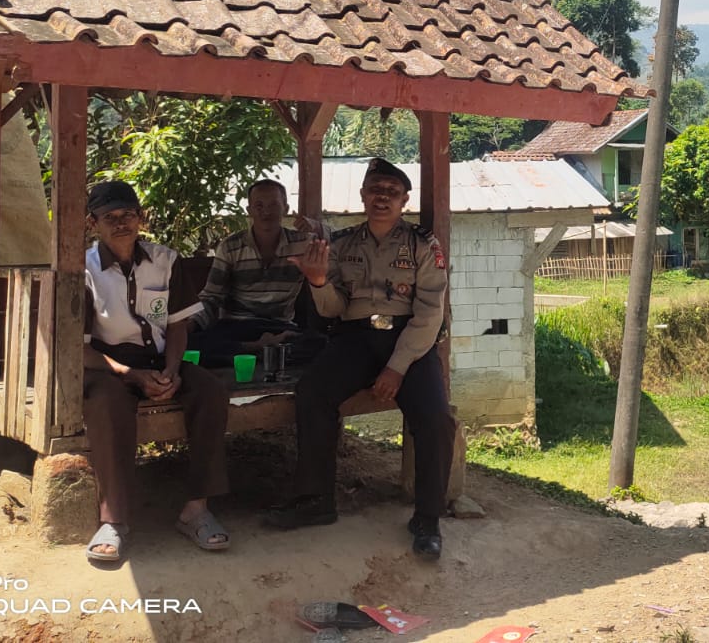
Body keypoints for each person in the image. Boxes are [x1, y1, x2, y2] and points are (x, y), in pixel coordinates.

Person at [264, 158, 454, 561]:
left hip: (409, 344)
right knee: (313, 393)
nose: (382, 197)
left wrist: (396, 368)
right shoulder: (343, 244)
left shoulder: (423, 245)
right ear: (363, 196)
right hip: (354, 338)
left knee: (436, 418)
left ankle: (427, 519)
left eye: (391, 191)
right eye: (375, 190)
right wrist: (317, 281)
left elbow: (429, 313)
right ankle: (315, 500)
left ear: (405, 200)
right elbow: (333, 310)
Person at [80, 180, 231, 563]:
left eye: (128, 214)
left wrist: (172, 370)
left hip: (161, 359)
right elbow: (79, 347)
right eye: (109, 217)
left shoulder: (166, 260)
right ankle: (113, 521)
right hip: (107, 363)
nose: (120, 224)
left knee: (210, 390)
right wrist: (129, 374)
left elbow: (178, 325)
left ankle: (196, 508)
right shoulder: (84, 270)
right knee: (107, 405)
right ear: (92, 223)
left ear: (141, 217)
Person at [190, 179, 319, 364]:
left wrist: (318, 227)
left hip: (281, 327)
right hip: (236, 327)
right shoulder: (231, 247)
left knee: (321, 345)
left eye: (273, 204)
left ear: (286, 208)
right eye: (259, 205)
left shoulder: (303, 243)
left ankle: (264, 350)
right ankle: (257, 348)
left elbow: (345, 240)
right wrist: (190, 324)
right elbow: (211, 296)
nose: (266, 212)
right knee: (189, 344)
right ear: (249, 210)